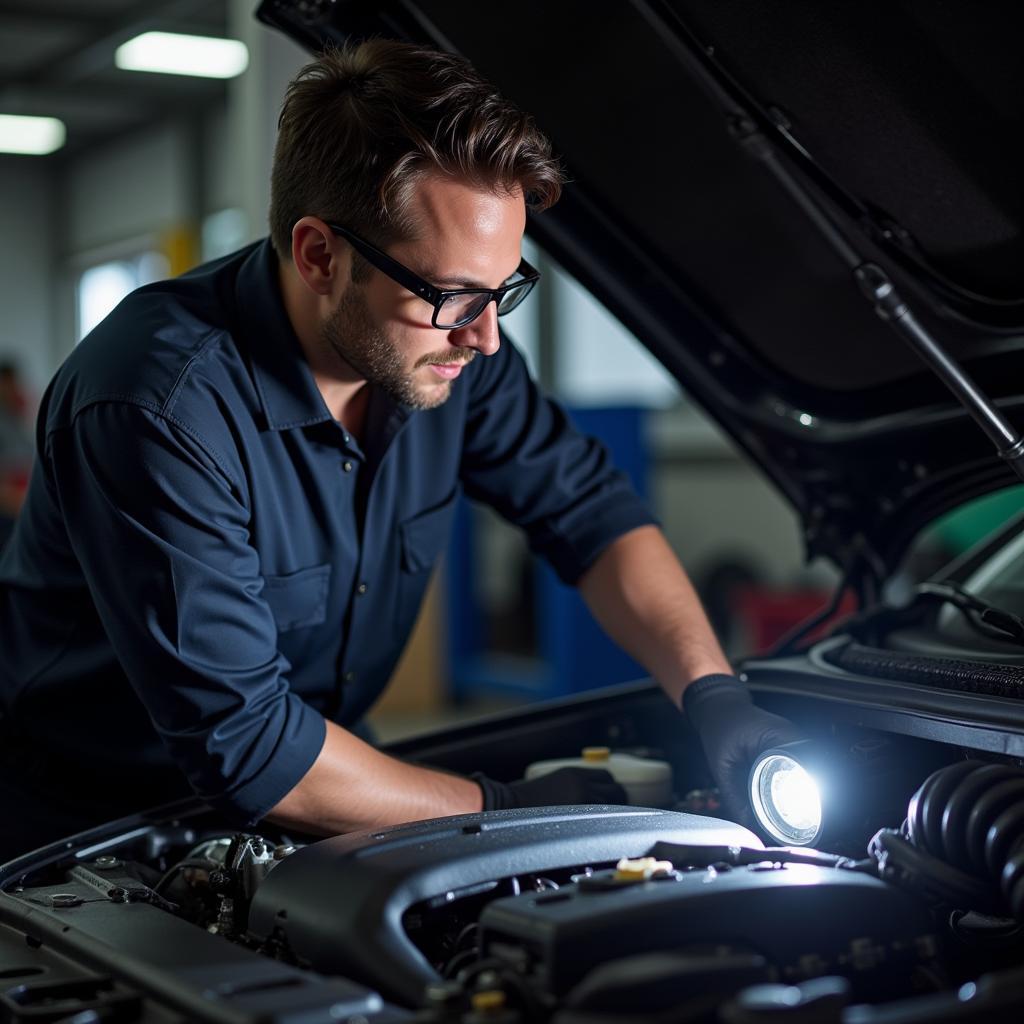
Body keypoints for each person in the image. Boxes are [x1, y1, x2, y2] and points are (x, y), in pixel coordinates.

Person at [0, 40, 799, 862]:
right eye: (453, 295)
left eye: (504, 291)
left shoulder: (444, 354)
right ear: (320, 256)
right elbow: (253, 749)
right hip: (82, 836)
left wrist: (711, 692)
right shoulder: (156, 407)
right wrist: (508, 806)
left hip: (327, 780)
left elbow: (592, 514)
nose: (487, 338)